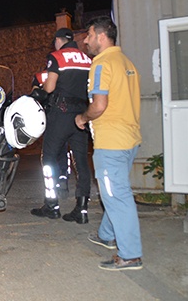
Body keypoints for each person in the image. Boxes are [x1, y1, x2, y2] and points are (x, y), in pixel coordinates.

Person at [76, 16, 143, 271]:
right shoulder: (127, 62)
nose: (85, 40)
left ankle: (130, 255)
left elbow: (99, 105)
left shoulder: (102, 64)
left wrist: (82, 117)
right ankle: (106, 235)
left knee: (116, 197)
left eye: (89, 35)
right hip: (129, 139)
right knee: (116, 191)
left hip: (111, 141)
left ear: (101, 37)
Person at [30, 28, 92, 223]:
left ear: (58, 40)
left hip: (61, 112)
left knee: (48, 158)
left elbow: (49, 87)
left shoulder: (56, 57)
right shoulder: (87, 59)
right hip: (81, 115)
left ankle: (52, 205)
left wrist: (39, 90)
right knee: (81, 161)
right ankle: (81, 209)